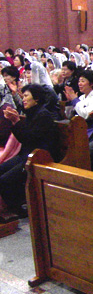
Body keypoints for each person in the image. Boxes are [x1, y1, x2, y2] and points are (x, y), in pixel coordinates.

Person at [0, 84, 58, 218]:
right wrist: (15, 122)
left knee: (4, 180)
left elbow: (30, 139)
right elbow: (25, 139)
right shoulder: (32, 113)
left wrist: (16, 122)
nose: (23, 99)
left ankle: (17, 209)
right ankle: (13, 205)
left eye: (26, 96)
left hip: (39, 156)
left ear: (36, 98)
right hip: (27, 154)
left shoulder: (43, 115)